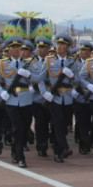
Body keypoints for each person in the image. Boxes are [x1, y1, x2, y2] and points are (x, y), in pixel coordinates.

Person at [0, 36, 39, 168]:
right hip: (11, 100)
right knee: (17, 127)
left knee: (25, 128)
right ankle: (20, 157)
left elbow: (37, 79)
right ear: (8, 49)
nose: (15, 49)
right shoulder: (3, 63)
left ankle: (15, 150)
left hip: (26, 100)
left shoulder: (29, 63)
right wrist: (2, 93)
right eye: (12, 47)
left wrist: (29, 75)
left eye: (18, 47)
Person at [38, 33, 78, 163]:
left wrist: (73, 77)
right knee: (58, 122)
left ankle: (59, 146)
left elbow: (79, 79)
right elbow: (40, 79)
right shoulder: (49, 60)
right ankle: (60, 149)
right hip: (54, 97)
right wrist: (45, 93)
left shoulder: (72, 61)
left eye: (63, 44)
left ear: (68, 47)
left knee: (64, 124)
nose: (59, 46)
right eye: (58, 44)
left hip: (68, 97)